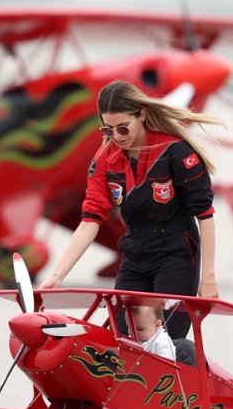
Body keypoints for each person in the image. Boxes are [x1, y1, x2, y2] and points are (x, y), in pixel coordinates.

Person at [39, 79, 222, 342]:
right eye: (108, 129)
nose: (117, 136)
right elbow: (90, 220)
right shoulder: (105, 160)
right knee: (122, 338)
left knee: (165, 339)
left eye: (123, 128)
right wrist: (57, 276)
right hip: (134, 255)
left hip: (176, 256)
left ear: (142, 116)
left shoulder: (176, 153)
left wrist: (209, 277)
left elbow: (205, 214)